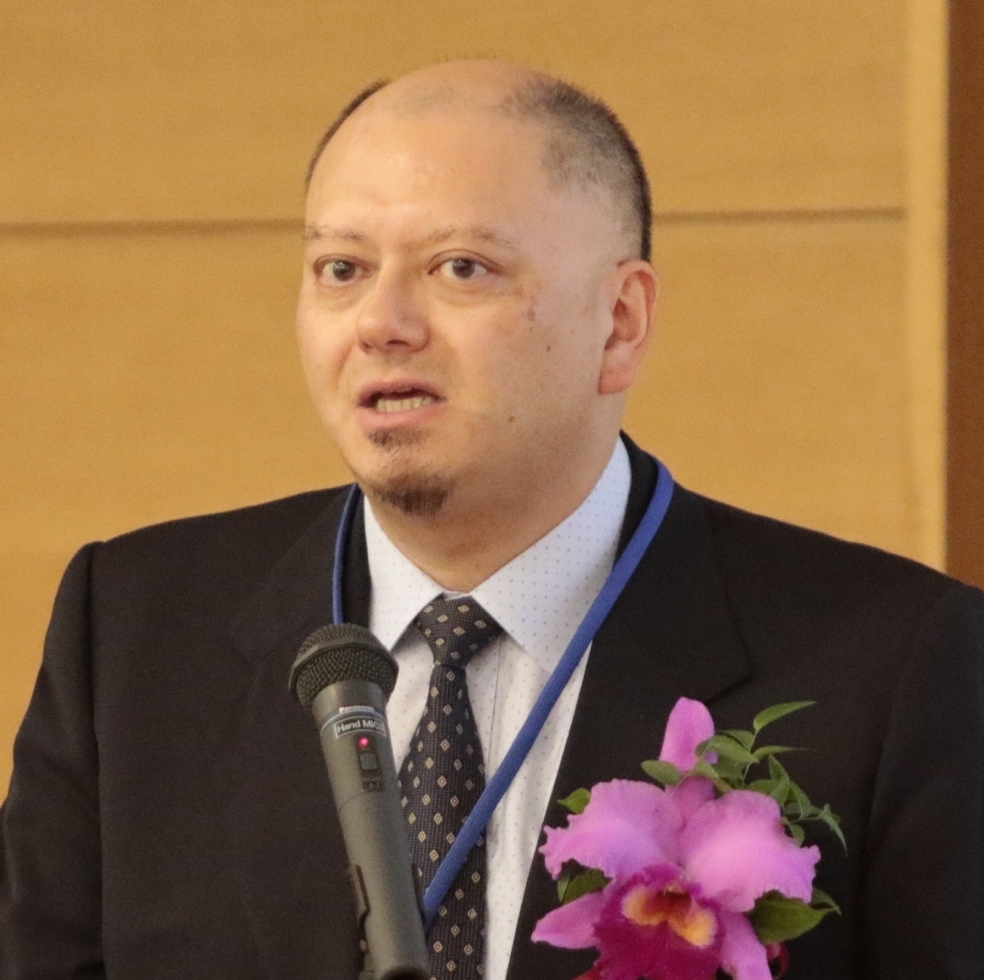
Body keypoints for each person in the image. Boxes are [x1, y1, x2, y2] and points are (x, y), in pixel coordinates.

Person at [1, 59, 982, 980]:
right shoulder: (133, 629)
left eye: (461, 267)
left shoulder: (895, 667)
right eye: (340, 268)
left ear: (620, 322)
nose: (382, 321)